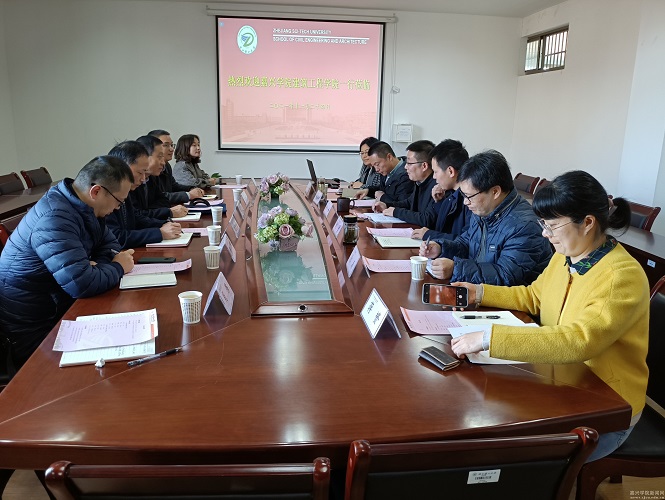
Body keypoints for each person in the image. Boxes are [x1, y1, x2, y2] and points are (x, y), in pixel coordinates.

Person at [450, 170, 649, 462]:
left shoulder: (621, 276)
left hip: (607, 406)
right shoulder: (566, 255)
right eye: (544, 224)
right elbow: (534, 296)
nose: (545, 233)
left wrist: (489, 338)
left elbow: (579, 341)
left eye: (552, 225)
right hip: (562, 378)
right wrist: (479, 293)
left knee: (518, 454)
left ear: (588, 223)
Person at [0, 156, 135, 368]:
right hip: (34, 328)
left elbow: (110, 246)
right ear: (96, 191)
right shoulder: (54, 217)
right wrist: (118, 267)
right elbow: (81, 284)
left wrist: (99, 267)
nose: (119, 208)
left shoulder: (84, 206)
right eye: (119, 201)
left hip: (59, 306)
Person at [420, 150, 552, 285]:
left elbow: (506, 276)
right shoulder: (484, 209)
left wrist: (456, 269)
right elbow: (467, 243)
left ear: (495, 192)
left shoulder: (524, 226)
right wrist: (441, 248)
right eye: (463, 195)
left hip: (508, 296)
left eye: (469, 196)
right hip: (480, 289)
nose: (465, 202)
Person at [106, 141, 182, 249]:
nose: (143, 179)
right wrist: (159, 233)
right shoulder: (106, 195)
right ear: (123, 167)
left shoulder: (125, 190)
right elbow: (116, 237)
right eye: (140, 173)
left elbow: (135, 218)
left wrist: (162, 224)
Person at [411, 141, 472, 241]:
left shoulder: (470, 201)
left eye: (435, 172)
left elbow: (466, 241)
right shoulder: (449, 195)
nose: (434, 177)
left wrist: (429, 234)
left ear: (450, 171)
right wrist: (439, 202)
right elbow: (439, 227)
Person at [374, 140, 437, 226]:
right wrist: (386, 205)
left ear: (424, 166)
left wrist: (396, 212)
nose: (405, 167)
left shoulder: (436, 187)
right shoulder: (419, 182)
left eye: (409, 163)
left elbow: (426, 218)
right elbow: (408, 203)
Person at [134, 135, 188, 218]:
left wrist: (149, 211)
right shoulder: (132, 182)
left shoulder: (151, 177)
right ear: (144, 157)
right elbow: (136, 216)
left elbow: (164, 200)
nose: (163, 163)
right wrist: (167, 212)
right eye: (159, 157)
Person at [148, 129, 204, 205]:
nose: (171, 149)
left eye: (172, 145)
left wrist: (191, 188)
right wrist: (188, 195)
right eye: (166, 145)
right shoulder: (149, 170)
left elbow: (174, 186)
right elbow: (158, 197)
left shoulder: (167, 166)